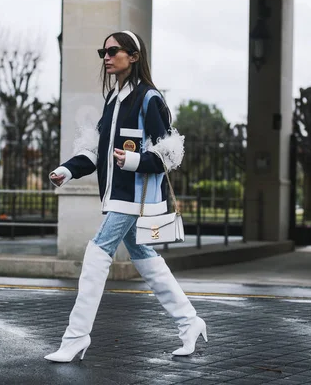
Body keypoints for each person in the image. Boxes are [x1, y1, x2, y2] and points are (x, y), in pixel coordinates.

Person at [44, 30, 207, 363]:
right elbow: (97, 151)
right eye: (102, 51)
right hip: (118, 195)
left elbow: (170, 154)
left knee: (97, 252)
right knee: (144, 257)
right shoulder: (112, 99)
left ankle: (76, 337)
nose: (106, 57)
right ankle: (190, 322)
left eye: (113, 51)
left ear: (133, 56)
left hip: (137, 195)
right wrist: (68, 170)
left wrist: (133, 160)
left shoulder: (150, 99)